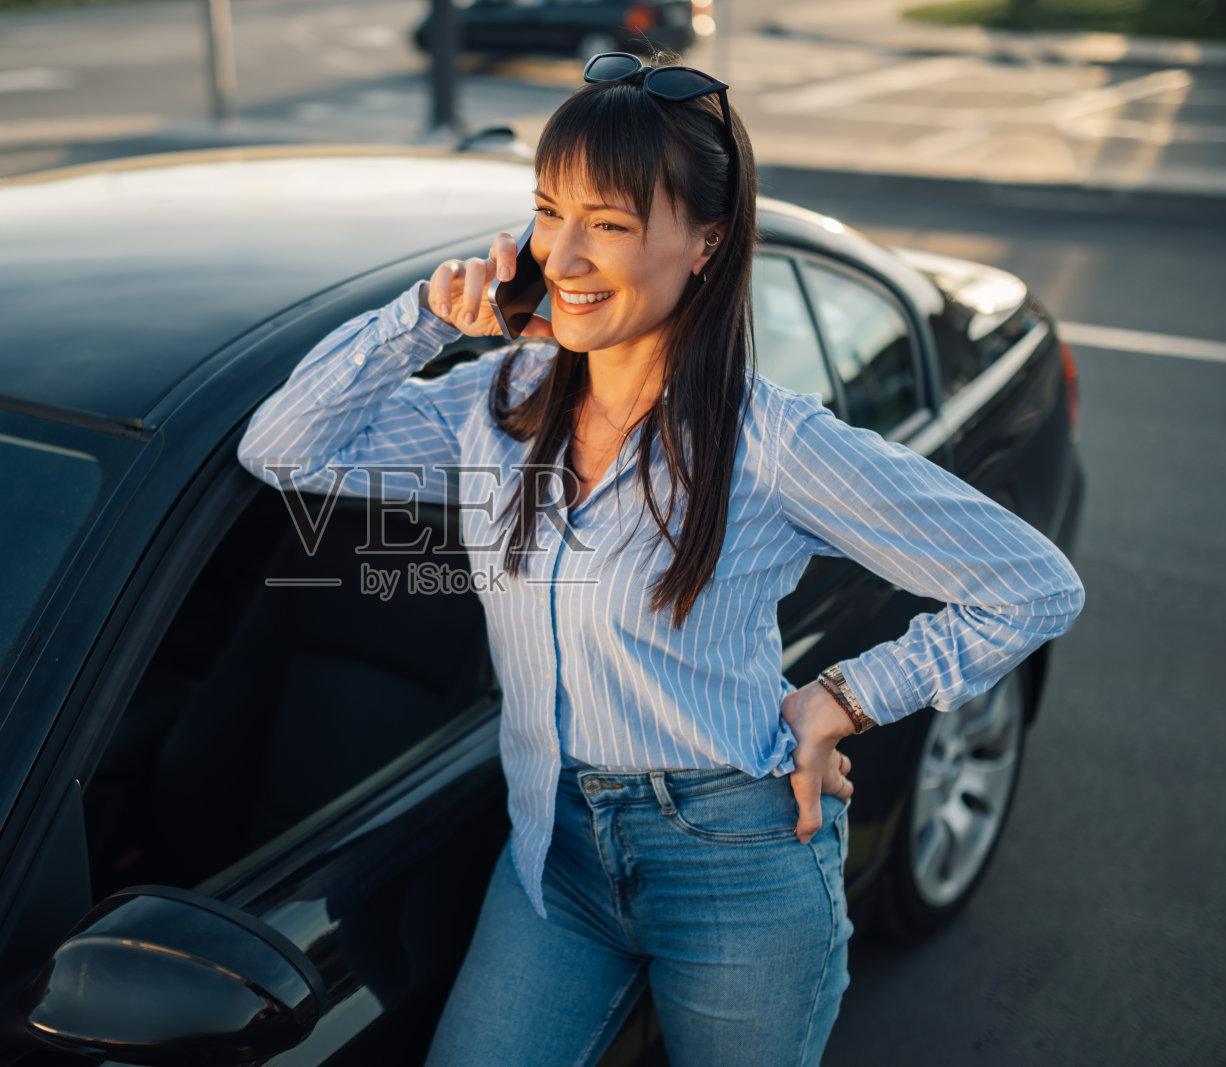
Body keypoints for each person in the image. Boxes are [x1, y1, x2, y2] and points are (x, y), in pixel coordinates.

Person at [236, 52, 1085, 1067]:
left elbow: (1033, 584)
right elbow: (285, 448)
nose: (562, 254)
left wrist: (844, 698)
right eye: (548, 211)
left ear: (706, 242)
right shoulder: (497, 403)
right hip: (552, 853)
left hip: (737, 858)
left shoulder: (772, 442)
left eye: (609, 222)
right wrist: (419, 319)